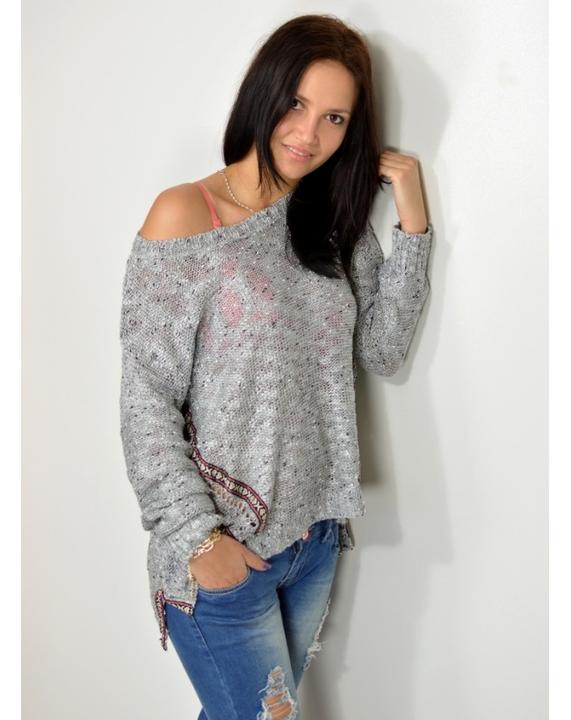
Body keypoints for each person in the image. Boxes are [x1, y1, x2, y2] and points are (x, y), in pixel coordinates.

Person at [119, 13, 433, 720]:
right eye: (296, 103)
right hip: (224, 543)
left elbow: (383, 351)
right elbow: (145, 399)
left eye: (334, 118)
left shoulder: (329, 220)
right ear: (263, 92)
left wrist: (412, 222)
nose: (307, 134)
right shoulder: (186, 214)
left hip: (314, 539)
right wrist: (200, 540)